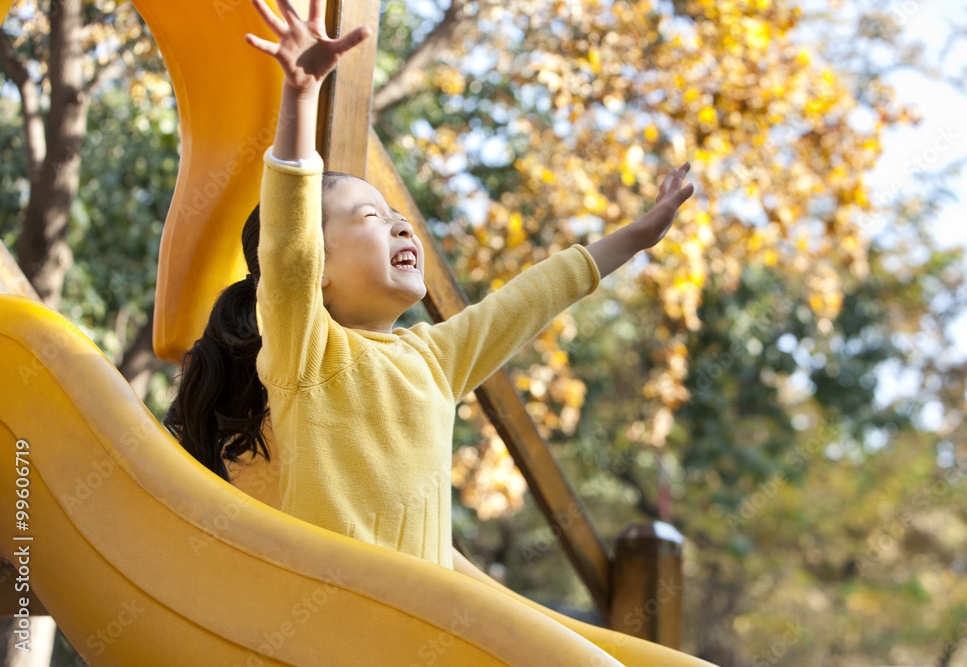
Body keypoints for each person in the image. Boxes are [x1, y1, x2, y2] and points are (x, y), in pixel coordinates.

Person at [166, 0, 694, 569]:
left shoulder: (434, 360)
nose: (398, 222)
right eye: (369, 217)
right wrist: (300, 95)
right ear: (318, 267)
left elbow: (531, 298)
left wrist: (635, 237)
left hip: (423, 628)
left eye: (396, 213)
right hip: (338, 624)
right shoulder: (305, 352)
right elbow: (287, 247)